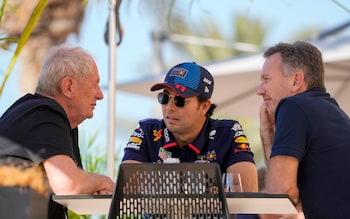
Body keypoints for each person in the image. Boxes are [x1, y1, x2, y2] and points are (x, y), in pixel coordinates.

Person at [0, 44, 115, 219]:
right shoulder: (44, 113)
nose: (100, 95)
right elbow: (69, 184)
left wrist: (90, 185)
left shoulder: (49, 117)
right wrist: (104, 181)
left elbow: (77, 194)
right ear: (68, 86)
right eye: (95, 84)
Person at [122, 62, 258, 192]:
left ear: (204, 106)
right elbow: (127, 189)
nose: (169, 107)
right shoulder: (147, 131)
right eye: (164, 97)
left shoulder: (228, 132)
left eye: (179, 100)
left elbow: (247, 194)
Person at [257, 41, 350, 219]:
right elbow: (294, 200)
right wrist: (267, 129)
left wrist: (267, 134)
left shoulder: (293, 105)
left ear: (296, 81)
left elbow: (280, 195)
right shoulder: (333, 113)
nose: (259, 90)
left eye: (266, 79)